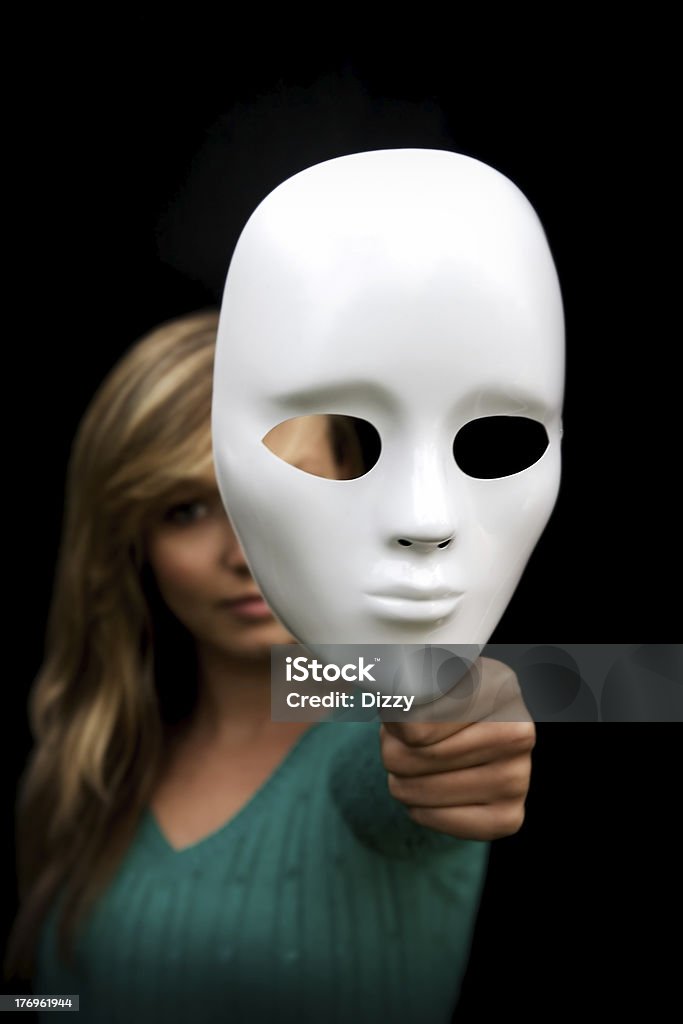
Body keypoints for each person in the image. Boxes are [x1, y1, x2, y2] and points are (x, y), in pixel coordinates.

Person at [4, 310, 534, 1023]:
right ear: (131, 538)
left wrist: (469, 708)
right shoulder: (95, 760)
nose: (242, 552)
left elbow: (452, 712)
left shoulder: (372, 743)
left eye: (284, 493)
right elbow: (52, 998)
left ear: (359, 489)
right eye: (187, 509)